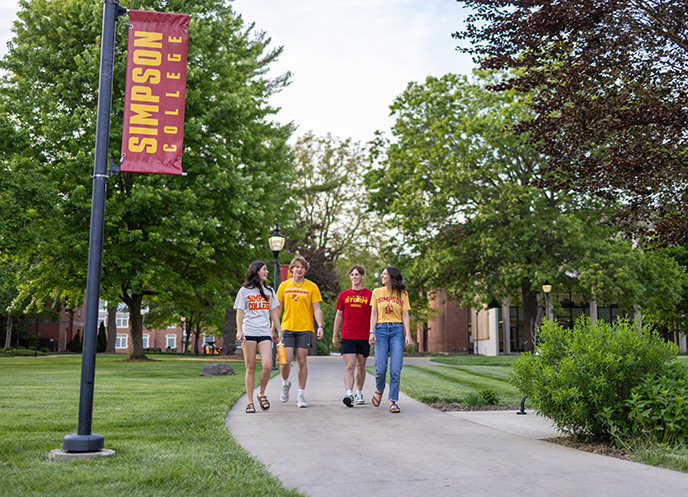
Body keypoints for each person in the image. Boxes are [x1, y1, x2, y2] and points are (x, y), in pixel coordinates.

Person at [234, 261, 282, 413]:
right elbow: (240, 312)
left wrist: (279, 330)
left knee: (268, 365)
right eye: (264, 270)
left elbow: (273, 312)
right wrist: (239, 331)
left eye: (267, 269)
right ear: (256, 272)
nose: (267, 272)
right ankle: (249, 402)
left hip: (264, 332)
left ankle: (261, 393)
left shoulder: (269, 291)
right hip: (249, 332)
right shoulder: (244, 291)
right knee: (251, 367)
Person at [276, 256, 324, 408]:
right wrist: (274, 328)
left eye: (302, 267)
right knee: (285, 361)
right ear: (292, 269)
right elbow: (278, 309)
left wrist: (320, 326)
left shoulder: (312, 287)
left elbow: (316, 308)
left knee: (302, 361)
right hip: (287, 327)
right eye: (296, 267)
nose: (299, 269)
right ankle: (285, 384)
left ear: (305, 270)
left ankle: (301, 396)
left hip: (304, 328)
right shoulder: (284, 286)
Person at [369, 266, 413, 413]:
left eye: (384, 274)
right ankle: (379, 390)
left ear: (392, 277)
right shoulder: (376, 292)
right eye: (381, 273)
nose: (382, 276)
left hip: (397, 331)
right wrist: (371, 331)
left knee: (395, 369)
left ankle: (393, 401)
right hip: (380, 330)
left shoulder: (402, 294)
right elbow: (374, 314)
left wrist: (408, 334)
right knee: (380, 368)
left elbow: (405, 315)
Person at [332, 266, 372, 407]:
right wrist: (335, 335)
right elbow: (339, 315)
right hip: (348, 335)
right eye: (352, 275)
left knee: (361, 366)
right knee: (350, 366)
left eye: (357, 274)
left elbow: (374, 316)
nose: (354, 277)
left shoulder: (370, 295)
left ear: (362, 276)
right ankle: (348, 393)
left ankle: (359, 392)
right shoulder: (343, 295)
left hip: (363, 336)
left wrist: (373, 333)